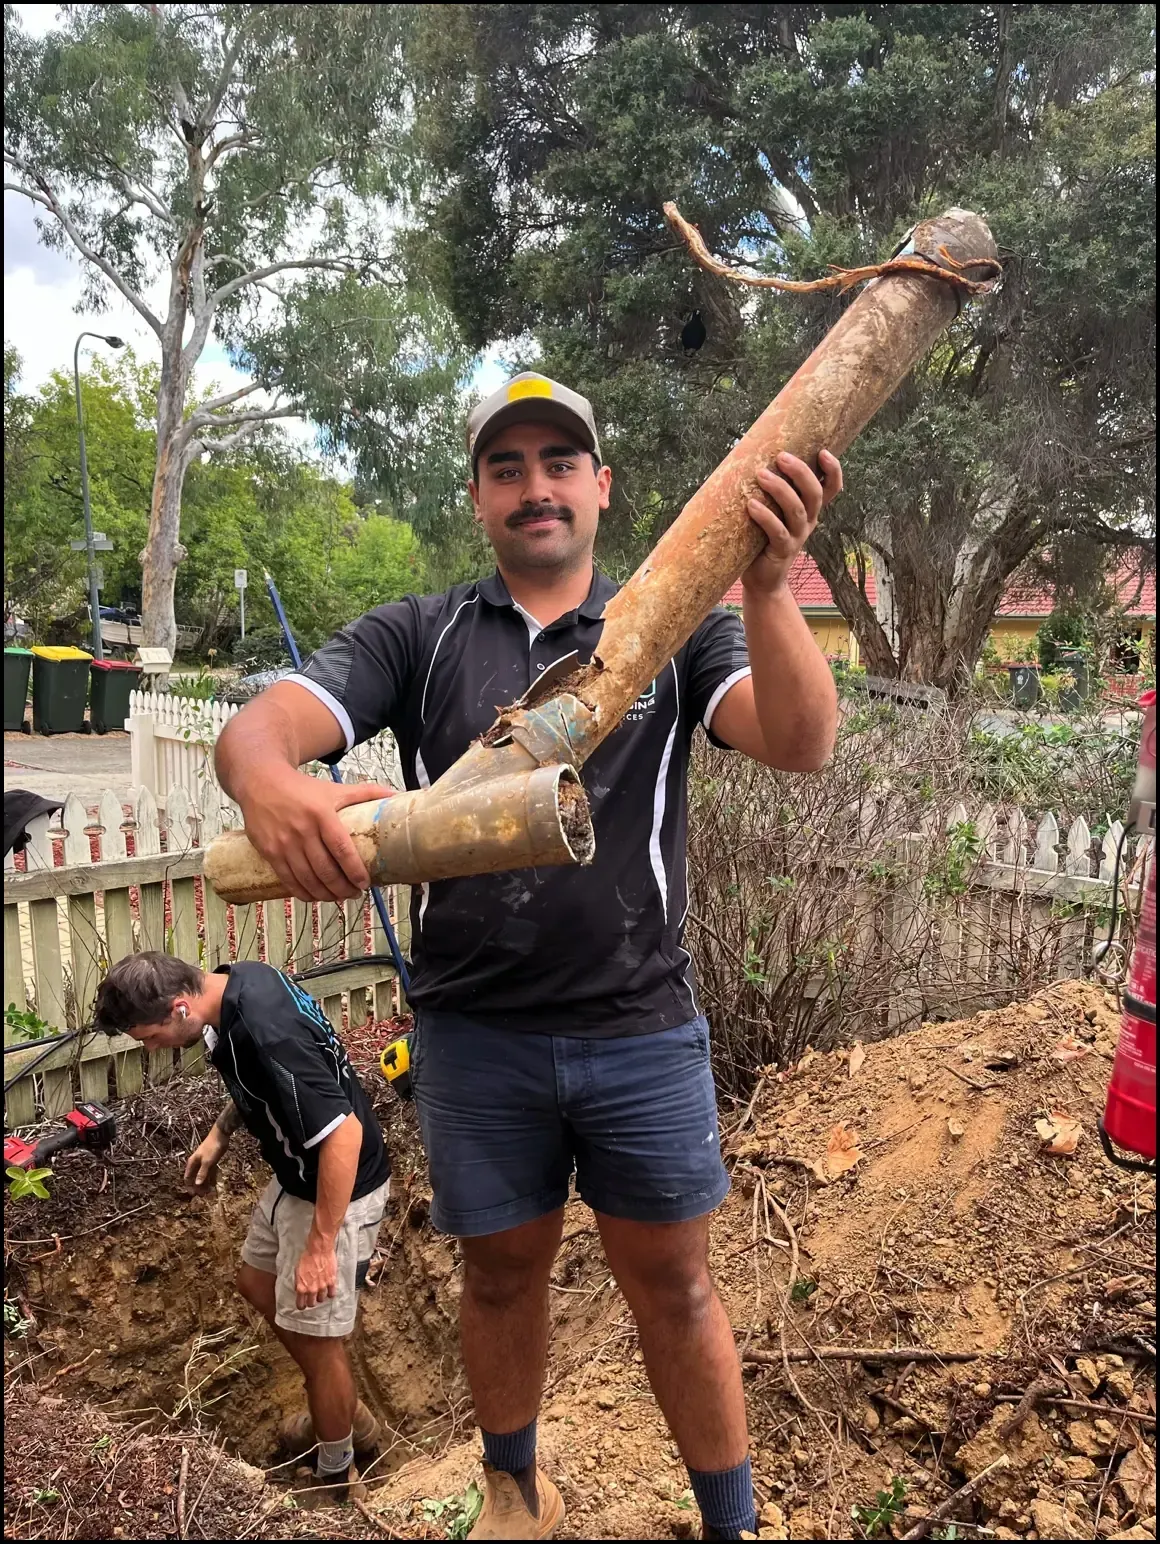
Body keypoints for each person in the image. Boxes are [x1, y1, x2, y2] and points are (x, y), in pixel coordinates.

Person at [214, 372, 843, 1541]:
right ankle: (511, 1486)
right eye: (506, 466)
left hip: (639, 1025)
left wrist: (764, 583)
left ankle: (731, 1520)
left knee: (675, 1285)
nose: (534, 486)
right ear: (477, 496)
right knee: (499, 1273)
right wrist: (262, 780)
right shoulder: (422, 634)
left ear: (600, 487)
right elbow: (265, 725)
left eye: (560, 461)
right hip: (473, 1034)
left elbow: (800, 740)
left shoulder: (666, 621)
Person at [92, 951, 391, 1507]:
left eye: (150, 1036)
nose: (150, 1048)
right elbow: (257, 1082)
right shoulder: (230, 985)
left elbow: (343, 1137)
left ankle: (336, 1473)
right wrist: (220, 1132)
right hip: (294, 1175)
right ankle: (346, 1415)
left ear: (180, 1006)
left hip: (336, 1189)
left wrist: (322, 1246)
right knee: (255, 1285)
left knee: (321, 1349)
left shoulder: (267, 1030)